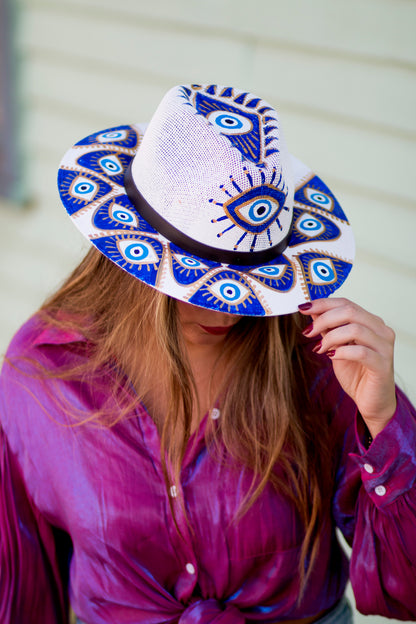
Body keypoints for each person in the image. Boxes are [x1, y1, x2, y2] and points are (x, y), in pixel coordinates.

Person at [0, 83, 415, 624]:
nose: (225, 312)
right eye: (201, 283)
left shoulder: (316, 361)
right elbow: (23, 583)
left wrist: (386, 422)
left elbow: (406, 589)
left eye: (250, 281)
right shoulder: (46, 369)